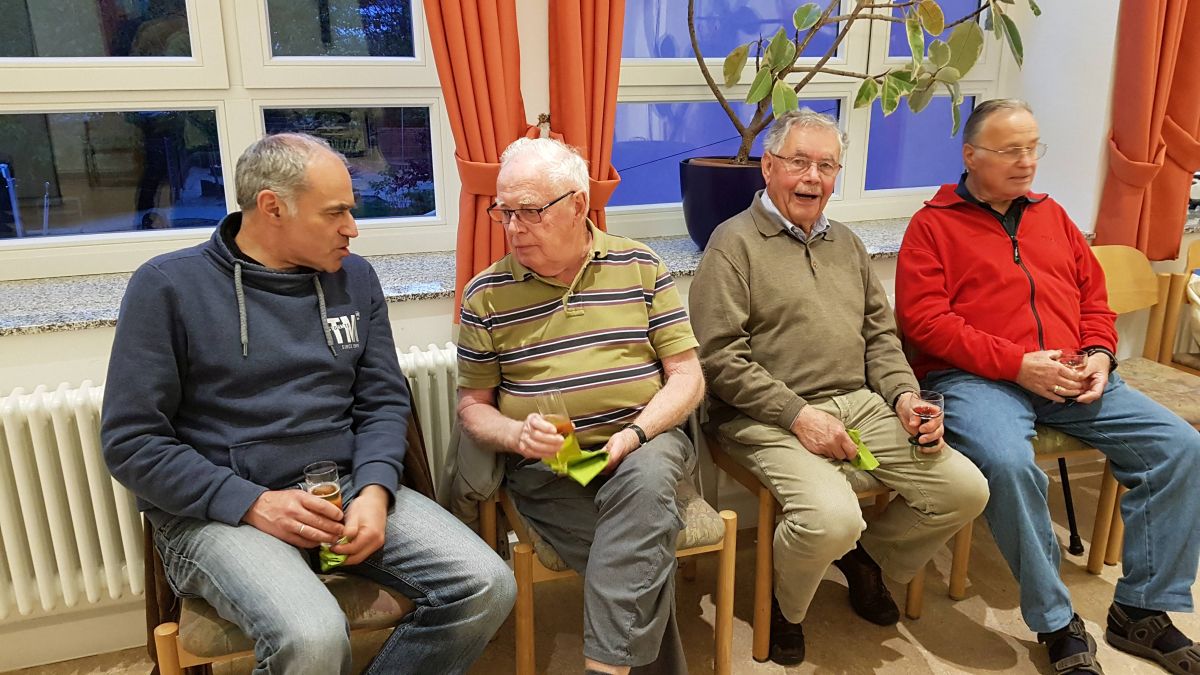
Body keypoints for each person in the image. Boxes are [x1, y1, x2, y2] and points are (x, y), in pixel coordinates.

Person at [102, 133, 515, 674]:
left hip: (341, 488)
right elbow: (132, 442)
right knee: (313, 637)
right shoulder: (167, 287)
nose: (352, 228)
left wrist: (375, 489)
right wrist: (253, 502)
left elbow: (383, 400)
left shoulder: (355, 278)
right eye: (335, 212)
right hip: (223, 511)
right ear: (272, 207)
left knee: (487, 584)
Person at [896, 98, 1200, 675]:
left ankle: (1141, 610)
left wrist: (1101, 354)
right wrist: (1017, 364)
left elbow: (1094, 300)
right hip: (974, 379)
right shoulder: (932, 226)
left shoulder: (1053, 216)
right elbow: (925, 323)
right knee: (1009, 464)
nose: (1027, 162)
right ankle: (1057, 622)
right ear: (971, 155)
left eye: (1033, 148)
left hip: (1070, 372)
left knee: (1180, 448)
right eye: (1011, 150)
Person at [690, 108, 990, 666]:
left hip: (860, 404)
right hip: (764, 416)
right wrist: (799, 416)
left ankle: (864, 558)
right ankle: (787, 605)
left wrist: (904, 397)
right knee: (832, 518)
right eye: (799, 162)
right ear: (768, 166)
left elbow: (881, 338)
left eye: (826, 166)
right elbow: (720, 360)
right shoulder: (731, 244)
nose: (813, 177)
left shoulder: (848, 244)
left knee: (965, 490)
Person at [456, 137, 705, 675]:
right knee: (636, 563)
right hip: (552, 467)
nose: (514, 227)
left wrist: (635, 434)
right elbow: (472, 407)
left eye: (530, 211)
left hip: (643, 444)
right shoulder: (485, 295)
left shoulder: (641, 266)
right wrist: (516, 435)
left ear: (577, 204)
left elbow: (687, 377)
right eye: (505, 212)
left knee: (644, 486)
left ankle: (603, 668)